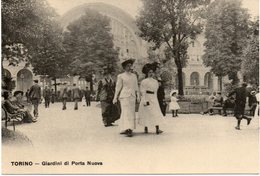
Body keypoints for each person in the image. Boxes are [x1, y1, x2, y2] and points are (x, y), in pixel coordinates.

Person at [113, 58, 140, 137]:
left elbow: (136, 87)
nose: (129, 67)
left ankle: (129, 128)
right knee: (126, 112)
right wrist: (115, 97)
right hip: (124, 96)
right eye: (127, 66)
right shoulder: (121, 76)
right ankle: (127, 129)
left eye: (130, 65)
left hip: (132, 96)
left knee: (131, 113)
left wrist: (138, 96)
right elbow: (118, 88)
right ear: (124, 67)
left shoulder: (134, 76)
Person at [138, 63, 163, 134]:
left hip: (153, 98)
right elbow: (142, 91)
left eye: (152, 72)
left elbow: (156, 91)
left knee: (155, 112)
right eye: (149, 72)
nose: (151, 74)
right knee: (146, 112)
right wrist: (144, 100)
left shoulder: (155, 82)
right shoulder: (144, 81)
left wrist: (156, 99)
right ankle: (146, 127)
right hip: (147, 97)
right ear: (147, 73)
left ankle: (157, 128)